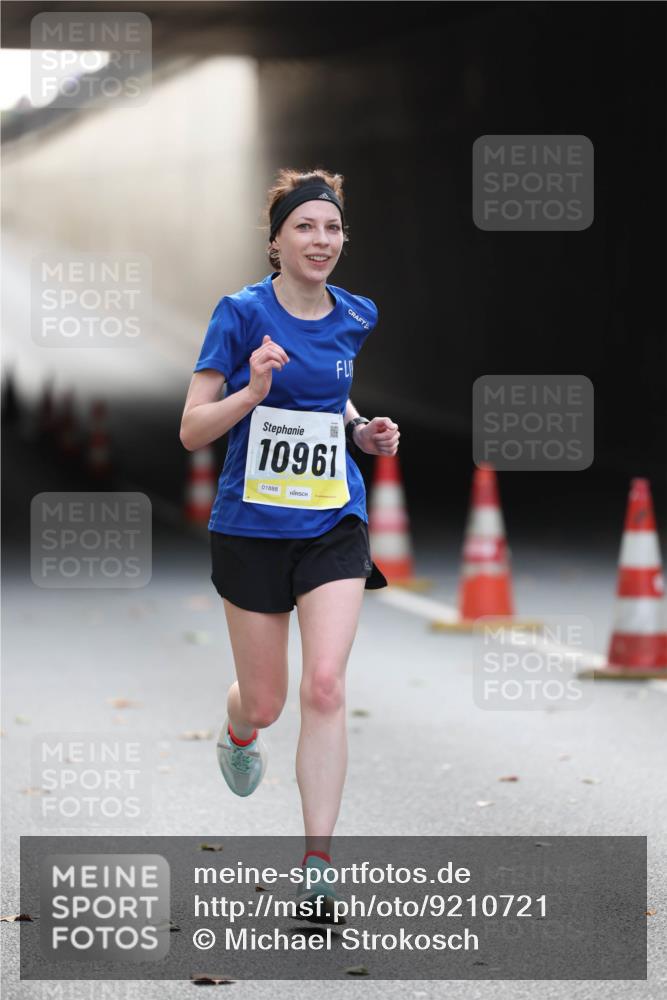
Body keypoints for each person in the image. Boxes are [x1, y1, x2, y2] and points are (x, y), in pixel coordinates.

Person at [180, 167, 400, 923]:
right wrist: (249, 393)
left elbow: (330, 394)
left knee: (327, 686)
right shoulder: (239, 314)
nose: (321, 240)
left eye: (332, 228)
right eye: (304, 226)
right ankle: (239, 723)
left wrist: (358, 429)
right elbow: (192, 428)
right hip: (249, 531)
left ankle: (316, 867)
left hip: (332, 522)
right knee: (271, 702)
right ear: (275, 241)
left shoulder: (355, 315)